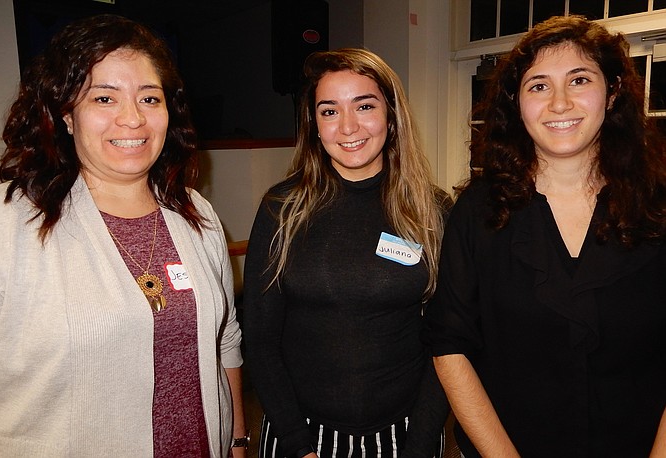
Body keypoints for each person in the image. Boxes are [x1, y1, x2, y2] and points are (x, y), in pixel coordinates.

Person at [0, 14, 248, 457]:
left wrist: (237, 440)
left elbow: (225, 338)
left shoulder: (196, 215)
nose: (132, 119)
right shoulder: (9, 224)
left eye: (149, 98)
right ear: (66, 114)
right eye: (105, 98)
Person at [424, 15, 666, 457]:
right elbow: (449, 345)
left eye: (579, 79)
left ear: (612, 93)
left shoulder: (660, 207)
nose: (559, 103)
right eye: (538, 85)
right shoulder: (478, 213)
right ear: (517, 102)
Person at [242, 48, 451, 458]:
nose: (349, 126)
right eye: (330, 111)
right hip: (299, 434)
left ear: (391, 117)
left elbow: (446, 342)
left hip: (405, 436)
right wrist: (297, 444)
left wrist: (421, 445)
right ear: (314, 124)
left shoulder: (434, 211)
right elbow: (262, 340)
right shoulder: (281, 208)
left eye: (365, 105)